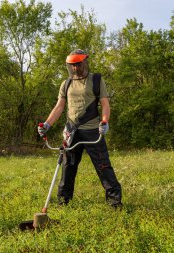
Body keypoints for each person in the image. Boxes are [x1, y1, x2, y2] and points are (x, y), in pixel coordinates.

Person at [38, 49, 122, 208]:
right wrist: (47, 124)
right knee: (68, 166)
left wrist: (105, 122)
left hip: (92, 131)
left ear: (84, 62)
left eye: (77, 64)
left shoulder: (96, 80)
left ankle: (114, 203)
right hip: (72, 131)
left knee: (103, 166)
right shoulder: (66, 83)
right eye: (72, 65)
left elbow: (105, 104)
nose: (75, 68)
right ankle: (63, 202)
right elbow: (59, 107)